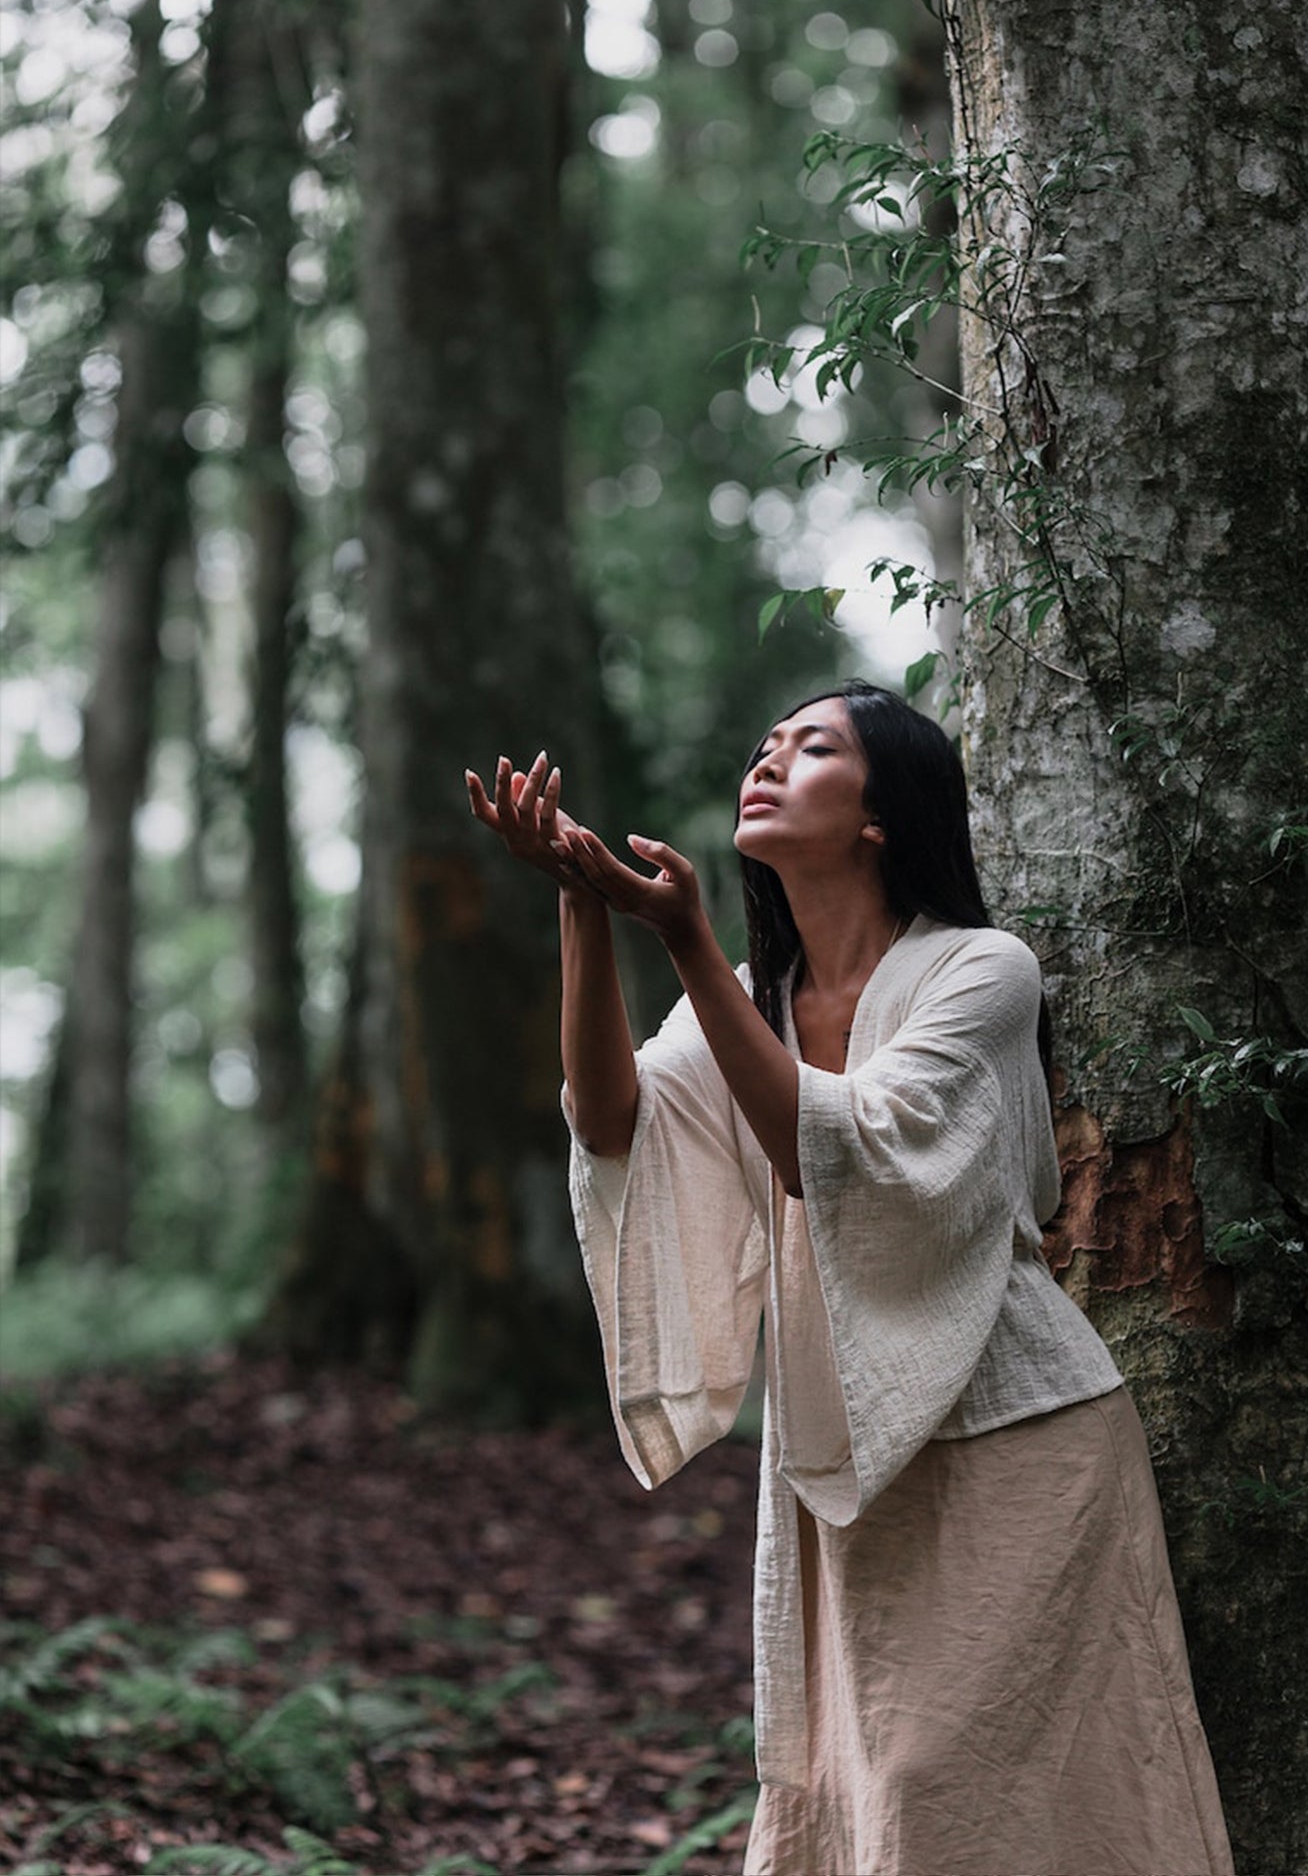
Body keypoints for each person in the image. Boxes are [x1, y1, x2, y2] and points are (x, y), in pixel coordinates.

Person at [467, 680, 1235, 1876]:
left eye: (811, 746)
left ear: (882, 811)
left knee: (959, 1787)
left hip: (1020, 1434)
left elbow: (834, 1153)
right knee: (870, 1780)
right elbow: (612, 1122)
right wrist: (584, 907)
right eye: (763, 741)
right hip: (846, 1459)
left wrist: (681, 934)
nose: (765, 760)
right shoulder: (754, 1004)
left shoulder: (982, 970)